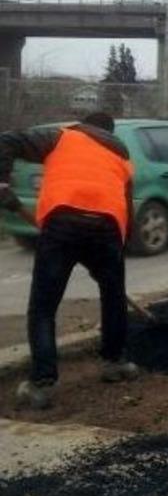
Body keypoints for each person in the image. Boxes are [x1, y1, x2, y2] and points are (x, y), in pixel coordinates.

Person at [0, 112, 139, 410]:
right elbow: (127, 208)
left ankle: (42, 384)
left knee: (43, 307)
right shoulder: (121, 154)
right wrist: (114, 255)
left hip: (62, 224)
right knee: (113, 296)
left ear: (84, 124)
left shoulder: (62, 136)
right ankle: (115, 362)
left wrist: (2, 184)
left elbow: (7, 141)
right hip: (107, 228)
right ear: (110, 133)